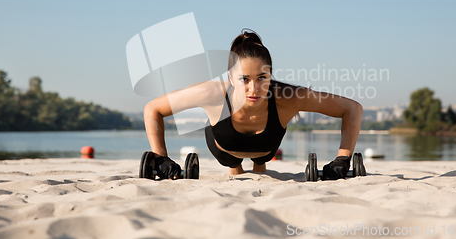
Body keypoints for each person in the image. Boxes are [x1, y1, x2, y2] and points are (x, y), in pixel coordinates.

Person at [143, 29, 363, 179]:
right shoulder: (212, 93)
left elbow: (352, 109)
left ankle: (259, 166)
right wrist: (161, 157)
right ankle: (237, 167)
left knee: (261, 164)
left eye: (261, 78)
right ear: (230, 78)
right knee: (233, 165)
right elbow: (153, 109)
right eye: (244, 79)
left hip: (266, 147)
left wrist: (342, 159)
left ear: (270, 75)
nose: (254, 89)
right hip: (224, 147)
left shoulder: (288, 96)